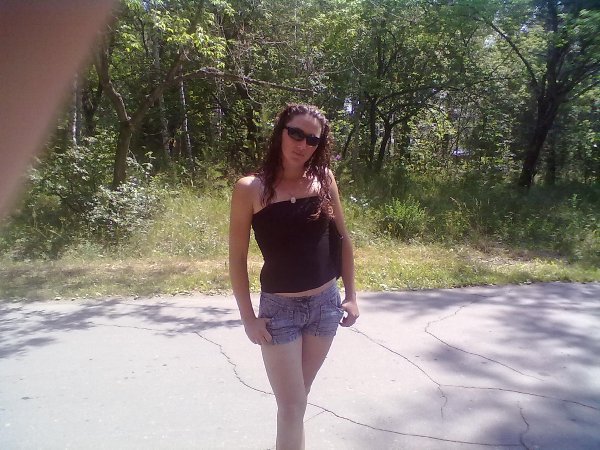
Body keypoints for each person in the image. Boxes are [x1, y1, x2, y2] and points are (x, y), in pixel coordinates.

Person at [229, 103, 360, 450]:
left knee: (298, 400)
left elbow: (343, 238)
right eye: (296, 133)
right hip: (279, 312)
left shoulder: (324, 179)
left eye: (312, 139)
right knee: (291, 406)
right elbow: (237, 259)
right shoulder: (250, 188)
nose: (302, 144)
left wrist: (351, 295)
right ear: (281, 132)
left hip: (326, 306)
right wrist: (248, 318)